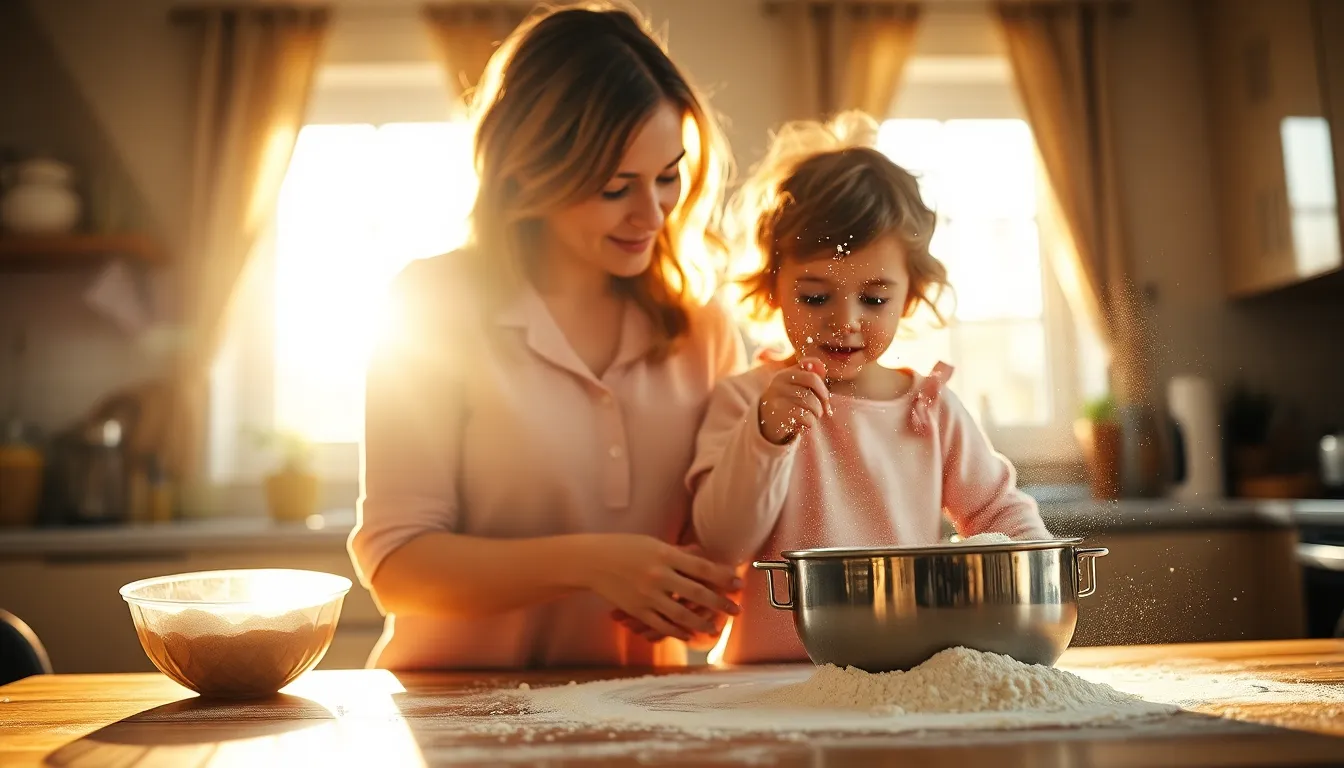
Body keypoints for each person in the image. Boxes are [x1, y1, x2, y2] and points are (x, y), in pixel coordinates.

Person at [348, 1, 746, 670]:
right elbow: (397, 567)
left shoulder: (702, 329)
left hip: (651, 719)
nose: (652, 214)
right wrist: (593, 563)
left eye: (668, 177)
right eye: (618, 186)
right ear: (529, 169)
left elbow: (719, 562)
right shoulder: (431, 304)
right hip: (456, 713)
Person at [686, 111, 1052, 665]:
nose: (845, 321)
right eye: (815, 297)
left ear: (910, 295)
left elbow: (1000, 518)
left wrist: (1039, 595)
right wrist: (765, 437)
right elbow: (721, 542)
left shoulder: (930, 410)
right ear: (772, 289)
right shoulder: (745, 402)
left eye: (874, 299)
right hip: (763, 681)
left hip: (903, 677)